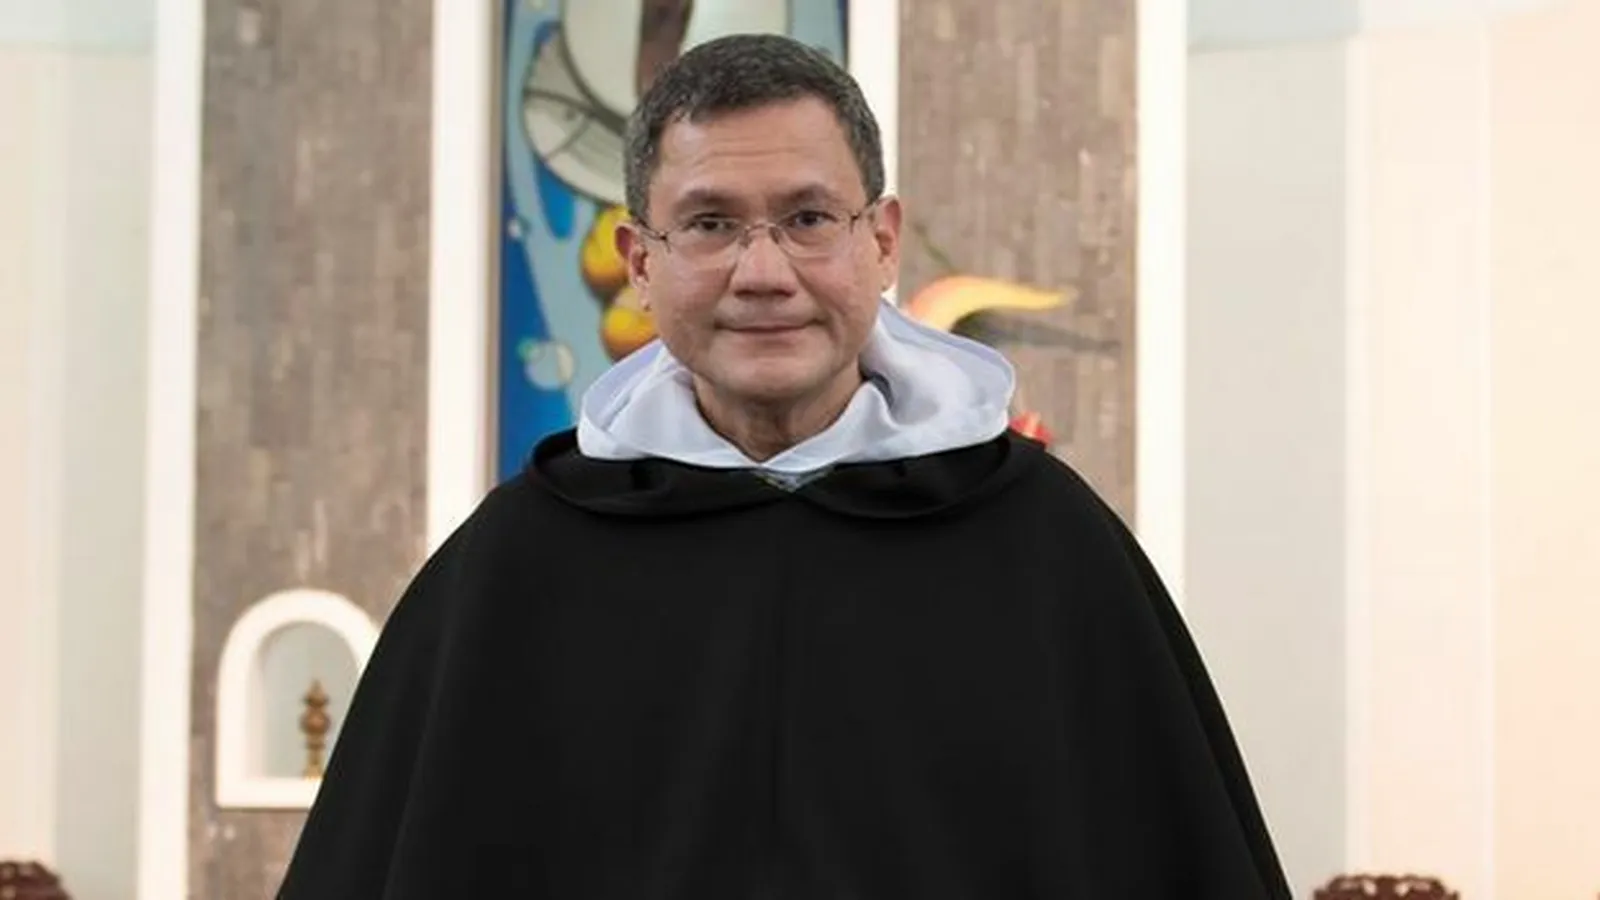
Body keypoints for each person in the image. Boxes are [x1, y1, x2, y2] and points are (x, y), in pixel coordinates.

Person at [277, 33, 1292, 900]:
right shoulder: (515, 569)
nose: (763, 274)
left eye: (808, 219)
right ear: (640, 262)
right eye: (710, 223)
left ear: (882, 242)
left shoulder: (1047, 553)